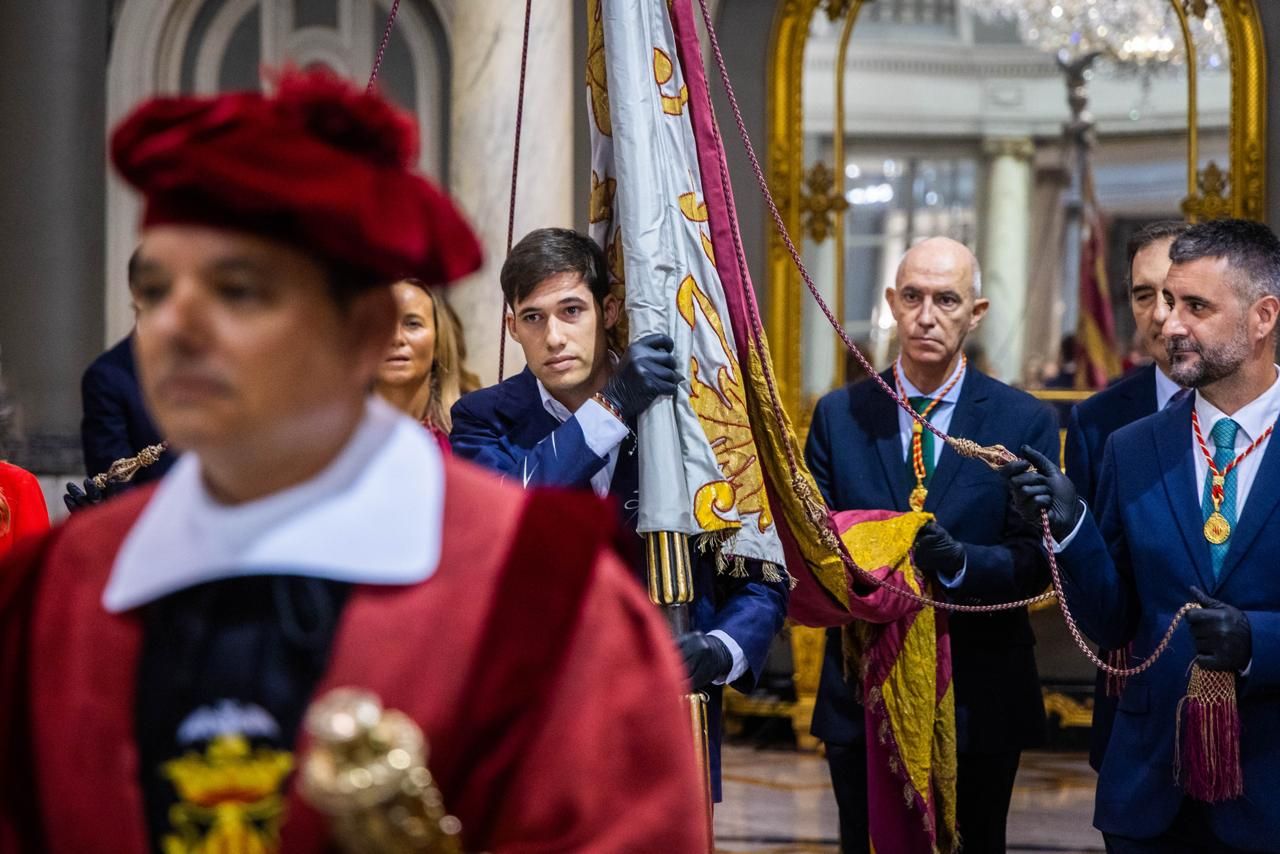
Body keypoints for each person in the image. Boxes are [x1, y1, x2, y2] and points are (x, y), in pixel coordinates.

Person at [0, 70, 707, 853]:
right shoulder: (60, 588)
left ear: (366, 329)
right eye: (158, 292)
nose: (179, 327)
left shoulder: (538, 590)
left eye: (238, 290)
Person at [450, 226, 788, 800]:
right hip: (541, 721)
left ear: (608, 310)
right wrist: (612, 408)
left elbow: (757, 568)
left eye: (571, 310)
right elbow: (511, 511)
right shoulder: (483, 418)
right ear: (512, 327)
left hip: (666, 717)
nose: (554, 336)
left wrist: (721, 650)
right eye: (533, 318)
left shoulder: (689, 417)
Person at [1003, 218, 1280, 852]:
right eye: (1165, 301)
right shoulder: (1133, 447)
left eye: (1196, 307)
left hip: (1270, 786)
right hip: (1151, 792)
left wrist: (1257, 639)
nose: (1169, 322)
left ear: (1262, 316)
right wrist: (1073, 528)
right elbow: (1113, 623)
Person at [805, 237, 1057, 854]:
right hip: (865, 686)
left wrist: (964, 563)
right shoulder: (840, 415)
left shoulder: (1022, 420)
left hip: (981, 690)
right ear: (891, 302)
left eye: (946, 300)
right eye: (912, 297)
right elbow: (812, 545)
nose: (925, 315)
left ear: (976, 313)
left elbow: (1040, 562)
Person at [1064, 219, 1188, 773]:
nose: (1160, 314)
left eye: (1176, 294)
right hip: (1132, 711)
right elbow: (1096, 593)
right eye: (1143, 296)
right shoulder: (1098, 421)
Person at [373, 278, 470, 451]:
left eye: (412, 324)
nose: (396, 338)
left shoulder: (471, 438)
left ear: (439, 342)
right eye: (382, 323)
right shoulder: (332, 439)